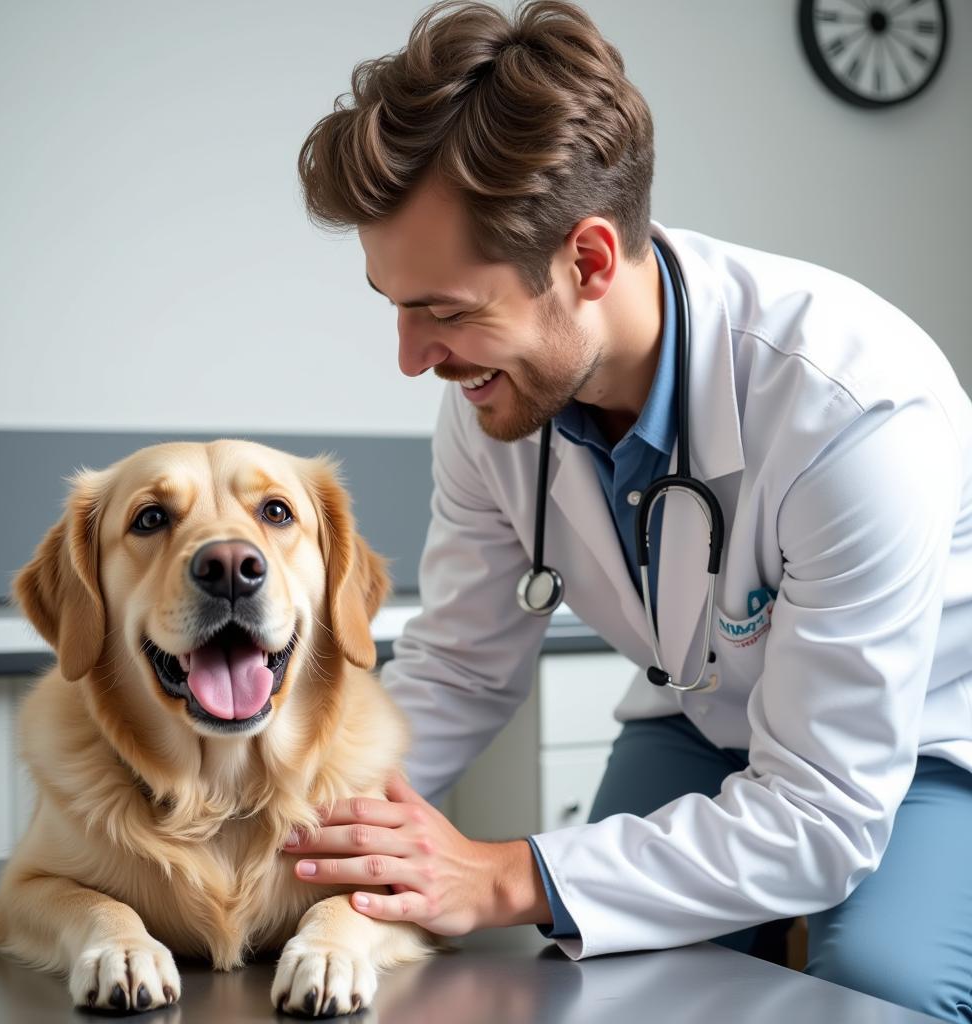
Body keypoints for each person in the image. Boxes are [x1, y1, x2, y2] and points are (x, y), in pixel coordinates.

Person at [285, 2, 972, 1019]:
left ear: (589, 261)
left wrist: (505, 873)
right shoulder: (492, 403)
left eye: (446, 310)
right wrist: (312, 821)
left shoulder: (854, 406)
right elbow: (464, 663)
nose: (412, 357)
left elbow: (820, 813)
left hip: (913, 743)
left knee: (883, 985)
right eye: (396, 303)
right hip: (698, 717)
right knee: (599, 982)